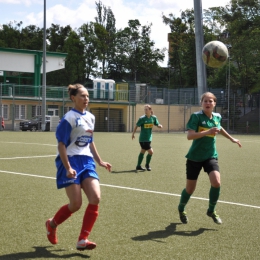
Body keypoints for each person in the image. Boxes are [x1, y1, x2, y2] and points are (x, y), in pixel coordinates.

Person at [45, 84, 112, 251]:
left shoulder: (90, 117)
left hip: (87, 161)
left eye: (87, 96)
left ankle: (83, 239)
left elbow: (90, 141)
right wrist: (67, 167)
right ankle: (51, 224)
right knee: (75, 204)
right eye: (82, 96)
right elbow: (61, 145)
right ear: (73, 98)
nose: (86, 99)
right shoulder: (68, 118)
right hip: (70, 160)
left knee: (95, 198)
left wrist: (100, 161)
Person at [178, 92, 241, 225]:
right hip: (194, 157)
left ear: (214, 103)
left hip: (210, 156)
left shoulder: (217, 116)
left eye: (211, 101)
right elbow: (190, 136)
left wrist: (231, 138)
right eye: (205, 101)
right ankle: (181, 208)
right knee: (190, 189)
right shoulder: (196, 117)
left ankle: (211, 210)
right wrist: (208, 132)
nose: (208, 103)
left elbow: (219, 128)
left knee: (216, 182)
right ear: (201, 103)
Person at [132, 104, 163, 171]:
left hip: (149, 138)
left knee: (143, 151)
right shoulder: (142, 118)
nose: (145, 111)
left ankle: (138, 166)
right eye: (144, 109)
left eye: (146, 109)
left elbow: (157, 124)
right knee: (151, 152)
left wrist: (159, 125)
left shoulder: (153, 118)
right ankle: (147, 165)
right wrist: (133, 134)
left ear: (150, 110)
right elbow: (136, 126)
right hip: (143, 139)